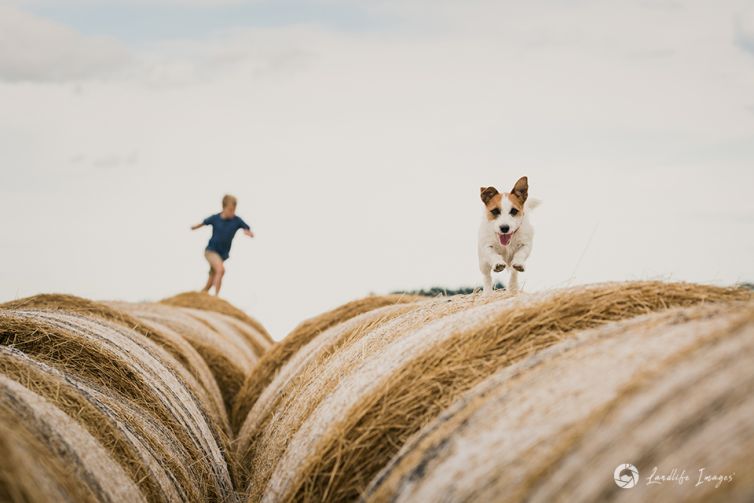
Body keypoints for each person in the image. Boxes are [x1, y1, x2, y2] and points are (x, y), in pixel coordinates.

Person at [191, 194, 254, 295]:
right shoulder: (215, 218)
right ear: (223, 208)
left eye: (234, 210)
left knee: (213, 278)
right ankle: (216, 297)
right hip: (211, 251)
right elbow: (203, 223)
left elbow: (246, 228)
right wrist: (194, 227)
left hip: (222, 255)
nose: (232, 212)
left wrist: (248, 232)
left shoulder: (236, 220)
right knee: (220, 270)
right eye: (230, 210)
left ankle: (201, 295)